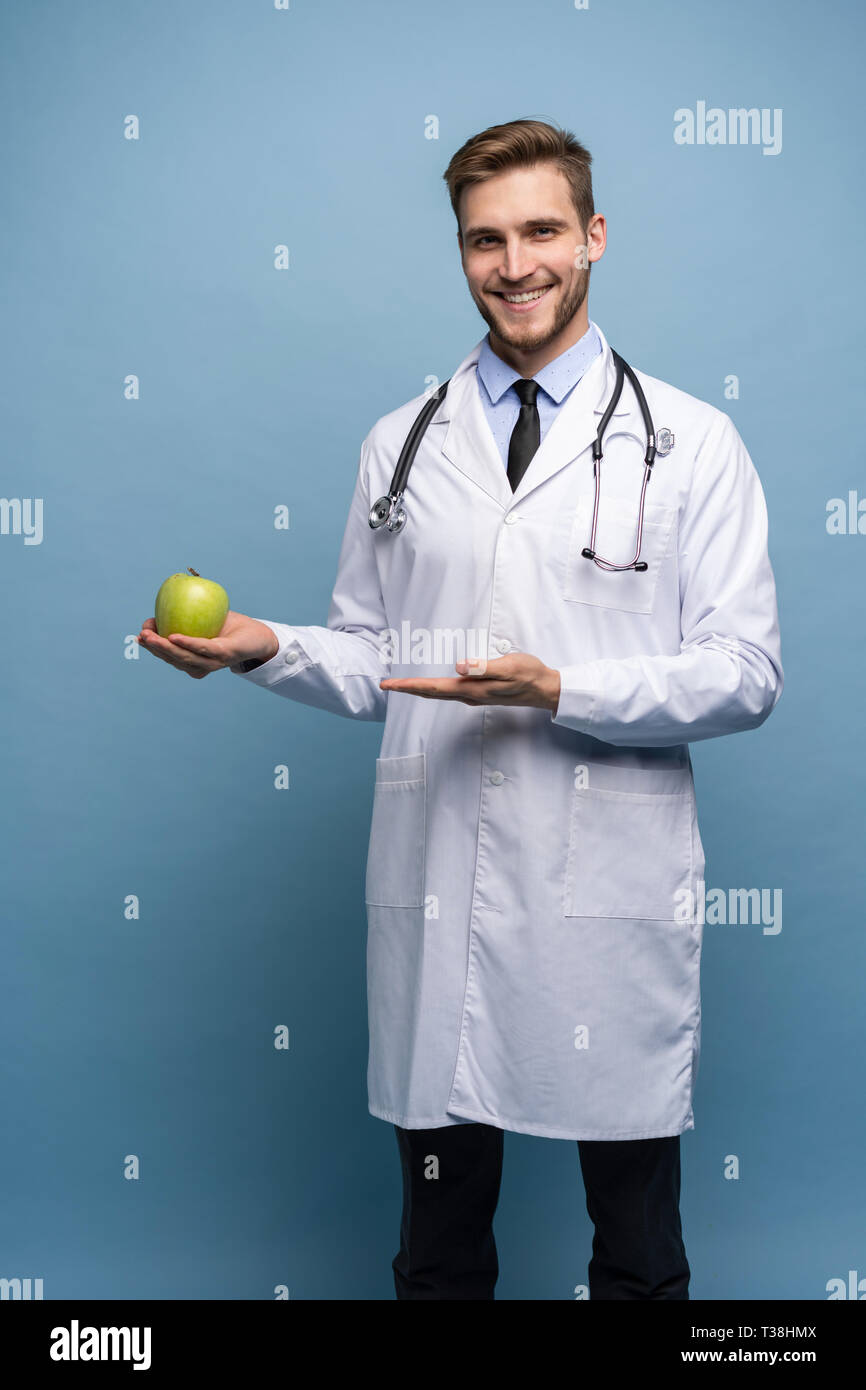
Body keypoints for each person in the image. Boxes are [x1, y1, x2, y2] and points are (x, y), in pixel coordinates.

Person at [138, 118, 783, 1300]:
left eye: (541, 230)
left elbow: (742, 672)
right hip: (435, 881)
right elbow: (375, 655)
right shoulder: (402, 441)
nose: (514, 263)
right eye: (484, 239)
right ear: (460, 254)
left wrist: (562, 688)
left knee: (636, 1251)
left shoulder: (692, 442)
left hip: (606, 893)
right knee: (436, 1252)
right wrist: (257, 647)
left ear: (592, 236)